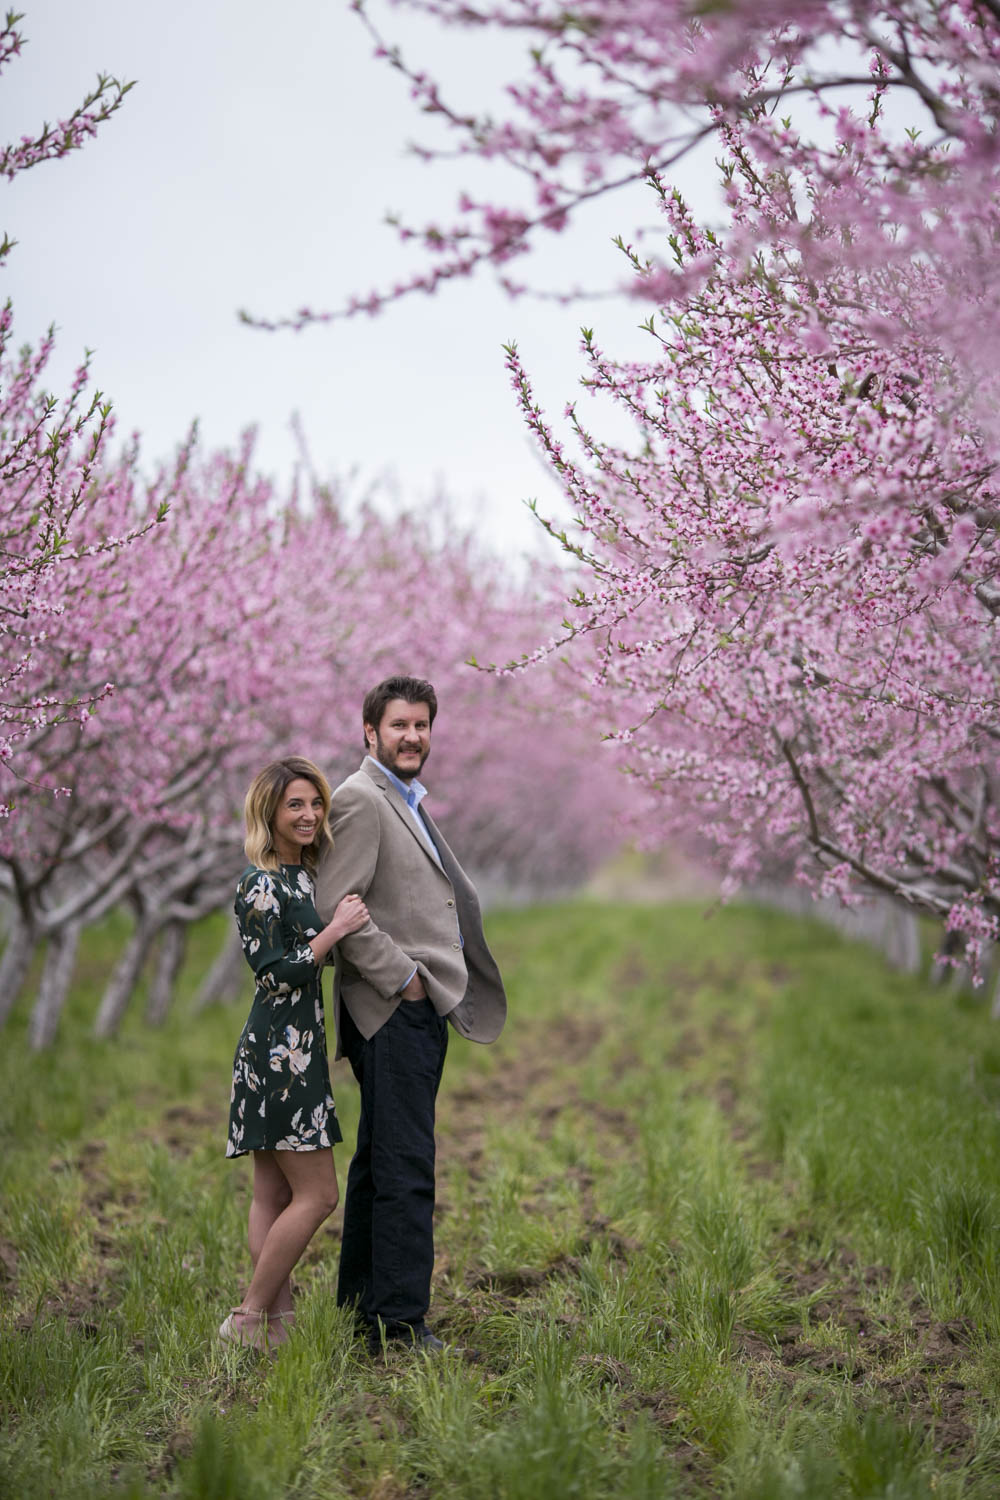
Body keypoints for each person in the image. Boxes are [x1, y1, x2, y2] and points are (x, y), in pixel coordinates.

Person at [315, 675, 507, 1354]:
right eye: (398, 725)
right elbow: (333, 904)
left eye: (422, 725)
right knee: (406, 1166)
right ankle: (399, 1323)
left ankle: (362, 1310)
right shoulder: (362, 801)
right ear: (370, 732)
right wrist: (405, 979)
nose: (412, 736)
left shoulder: (402, 798)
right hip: (393, 1008)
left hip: (411, 1009)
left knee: (379, 1162)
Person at [221, 756, 370, 1351]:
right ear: (269, 813)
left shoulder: (305, 879)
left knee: (273, 1194)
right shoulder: (259, 884)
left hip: (299, 1050)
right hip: (277, 1056)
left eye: (315, 804)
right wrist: (334, 931)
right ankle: (249, 1317)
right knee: (319, 1196)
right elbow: (273, 974)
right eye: (295, 805)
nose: (309, 815)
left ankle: (274, 1328)